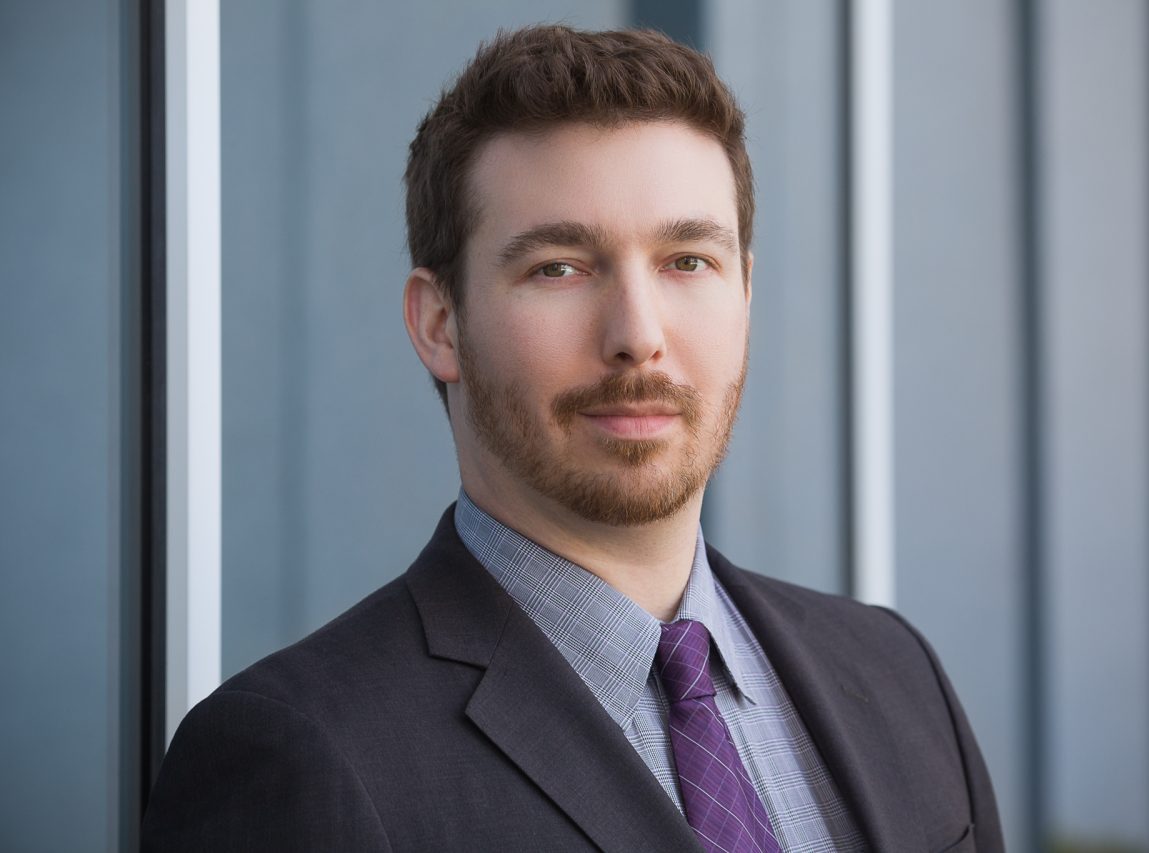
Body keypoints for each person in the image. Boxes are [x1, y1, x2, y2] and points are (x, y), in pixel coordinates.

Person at [142, 25, 1002, 853]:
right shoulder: (301, 757)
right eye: (559, 267)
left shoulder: (899, 673)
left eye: (687, 261)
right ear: (439, 323)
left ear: (745, 291)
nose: (637, 334)